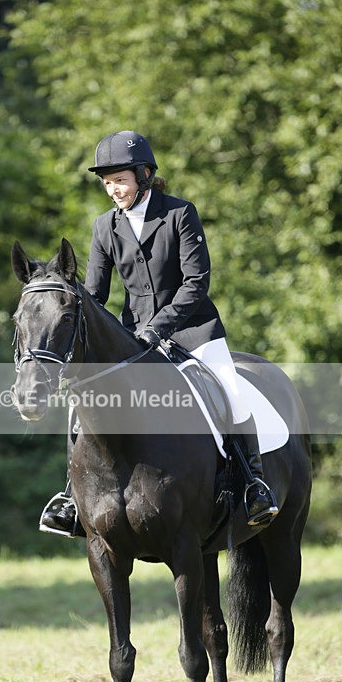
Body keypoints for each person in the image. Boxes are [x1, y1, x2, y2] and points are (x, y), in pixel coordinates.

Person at [41, 130, 278, 536]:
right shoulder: (104, 228)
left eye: (120, 179)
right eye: (107, 181)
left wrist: (158, 327)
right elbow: (95, 295)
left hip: (193, 331)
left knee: (231, 393)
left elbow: (195, 282)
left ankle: (254, 485)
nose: (113, 189)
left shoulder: (179, 214)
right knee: (79, 408)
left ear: (144, 174)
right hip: (134, 342)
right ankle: (71, 497)